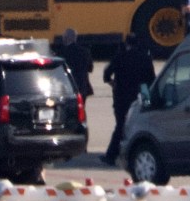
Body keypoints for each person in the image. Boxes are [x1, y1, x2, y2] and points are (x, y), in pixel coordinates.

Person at [103, 32, 156, 166]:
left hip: (121, 96)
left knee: (121, 125)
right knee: (141, 125)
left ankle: (111, 155)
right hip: (139, 95)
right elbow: (151, 80)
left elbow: (106, 74)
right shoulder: (145, 58)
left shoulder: (120, 56)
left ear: (127, 44)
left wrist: (112, 83)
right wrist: (148, 99)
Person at [51, 28, 96, 103]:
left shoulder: (61, 53)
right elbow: (90, 69)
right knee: (81, 109)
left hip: (67, 87)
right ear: (75, 38)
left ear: (66, 38)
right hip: (82, 87)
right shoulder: (85, 51)